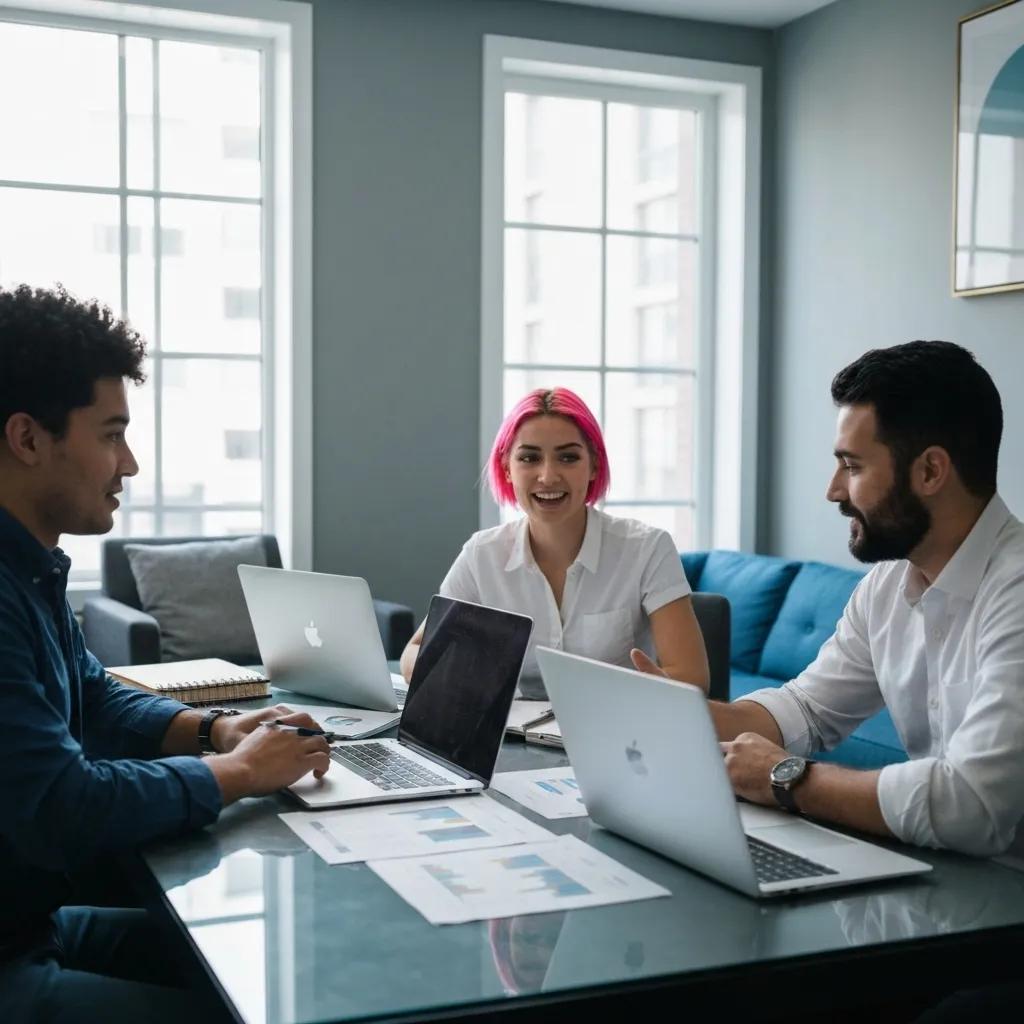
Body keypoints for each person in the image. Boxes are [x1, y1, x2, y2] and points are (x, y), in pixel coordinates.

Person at [0, 284, 331, 1023]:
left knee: (280, 968)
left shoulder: (28, 565)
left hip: (30, 927)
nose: (131, 464)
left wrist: (214, 731)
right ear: (27, 439)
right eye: (111, 433)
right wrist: (238, 773)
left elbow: (89, 690)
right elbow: (62, 807)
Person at [634, 340, 1024, 859]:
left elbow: (971, 805)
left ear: (930, 472)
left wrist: (787, 779)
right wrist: (683, 714)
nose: (834, 490)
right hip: (948, 878)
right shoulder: (886, 589)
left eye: (852, 466)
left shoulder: (1015, 591)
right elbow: (806, 709)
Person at [401, 386, 709, 696]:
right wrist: (467, 674)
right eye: (530, 458)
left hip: (619, 734)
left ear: (594, 466)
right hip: (512, 738)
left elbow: (691, 678)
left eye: (568, 457)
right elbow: (414, 652)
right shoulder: (481, 556)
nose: (548, 476)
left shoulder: (647, 549)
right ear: (507, 469)